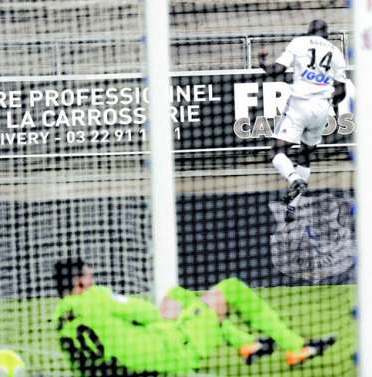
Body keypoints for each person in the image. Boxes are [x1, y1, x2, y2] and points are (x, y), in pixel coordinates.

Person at [53, 257, 335, 376]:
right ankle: (295, 348)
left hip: (133, 369)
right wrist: (166, 316)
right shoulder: (97, 296)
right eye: (89, 276)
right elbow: (147, 313)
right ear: (81, 283)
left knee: (177, 292)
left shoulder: (58, 321)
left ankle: (247, 344)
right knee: (229, 289)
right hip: (173, 351)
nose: (93, 280)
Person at [258, 19, 347, 222]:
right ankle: (292, 206)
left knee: (277, 151)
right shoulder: (336, 52)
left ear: (309, 31)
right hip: (322, 108)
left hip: (299, 104)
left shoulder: (299, 43)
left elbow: (277, 70)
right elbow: (341, 91)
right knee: (306, 155)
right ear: (326, 34)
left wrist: (262, 63)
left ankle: (294, 179)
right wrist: (329, 105)